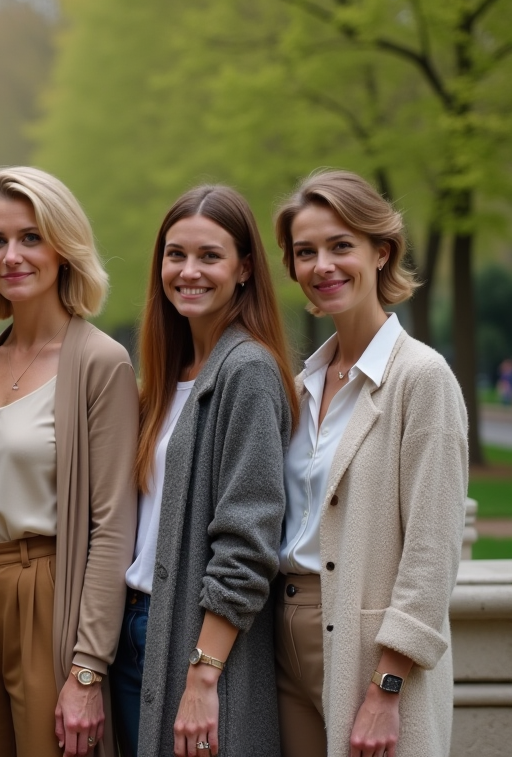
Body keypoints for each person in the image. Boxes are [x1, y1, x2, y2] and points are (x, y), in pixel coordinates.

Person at [273, 169, 467, 757]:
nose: (322, 266)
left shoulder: (422, 377)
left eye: (340, 246)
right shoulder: (301, 383)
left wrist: (387, 687)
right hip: (282, 644)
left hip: (369, 654)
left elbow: (433, 549)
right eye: (306, 252)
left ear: (381, 252)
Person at [0, 167, 139, 757]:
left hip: (46, 598)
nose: (11, 255)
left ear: (64, 247)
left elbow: (112, 526)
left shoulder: (101, 363)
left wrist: (87, 668)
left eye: (31, 237)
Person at [124, 185, 296, 757]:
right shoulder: (167, 377)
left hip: (189, 639)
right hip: (135, 635)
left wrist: (203, 676)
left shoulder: (246, 371)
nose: (188, 271)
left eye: (209, 256)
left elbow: (248, 543)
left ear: (245, 269)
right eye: (176, 255)